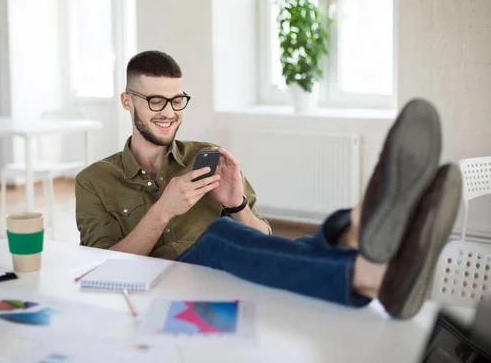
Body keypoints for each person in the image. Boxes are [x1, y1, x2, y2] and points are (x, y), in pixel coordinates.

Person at [76, 50, 462, 320]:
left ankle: (359, 238)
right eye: (157, 101)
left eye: (178, 101)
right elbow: (102, 268)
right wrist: (162, 212)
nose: (170, 113)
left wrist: (236, 204)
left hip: (229, 276)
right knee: (219, 237)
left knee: (285, 246)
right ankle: (365, 258)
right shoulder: (94, 181)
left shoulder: (206, 155)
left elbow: (264, 238)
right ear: (128, 102)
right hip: (162, 291)